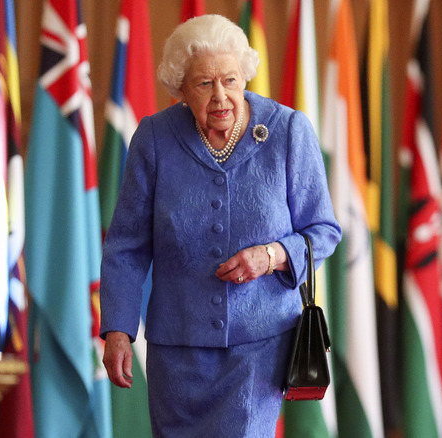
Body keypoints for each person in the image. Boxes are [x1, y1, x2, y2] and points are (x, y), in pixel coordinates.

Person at [100, 14, 341, 437]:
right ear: (180, 87)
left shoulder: (288, 132)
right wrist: (118, 329)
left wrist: (270, 256)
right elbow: (127, 245)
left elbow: (323, 231)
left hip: (259, 347)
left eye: (230, 81)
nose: (220, 97)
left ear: (245, 77)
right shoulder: (154, 138)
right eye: (204, 84)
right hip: (176, 349)